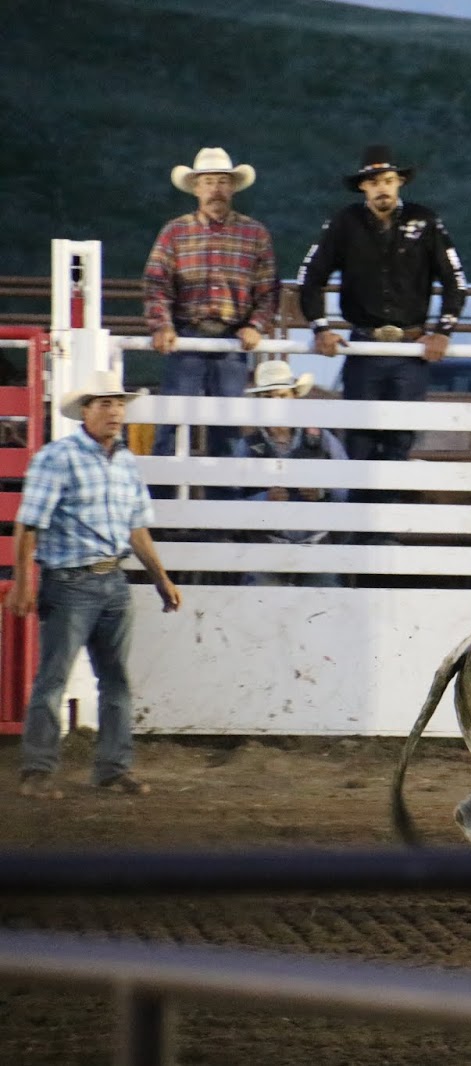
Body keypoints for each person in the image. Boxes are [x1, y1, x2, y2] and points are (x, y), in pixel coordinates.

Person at [5, 372, 182, 799]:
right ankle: (37, 770)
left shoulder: (125, 461)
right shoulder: (58, 457)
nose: (115, 411)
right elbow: (29, 524)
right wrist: (23, 583)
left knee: (114, 679)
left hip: (113, 580)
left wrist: (161, 578)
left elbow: (136, 528)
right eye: (105, 403)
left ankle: (111, 769)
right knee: (55, 678)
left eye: (118, 404)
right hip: (69, 581)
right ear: (85, 411)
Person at [297, 144, 467, 484]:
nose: (382, 188)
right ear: (363, 186)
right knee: (358, 438)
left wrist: (443, 330)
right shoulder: (345, 222)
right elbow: (310, 277)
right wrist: (320, 328)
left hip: (410, 346)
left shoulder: (425, 220)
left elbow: (455, 280)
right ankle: (359, 514)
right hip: (364, 345)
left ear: (399, 182)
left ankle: (387, 513)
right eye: (374, 182)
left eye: (388, 180)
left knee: (400, 438)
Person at [144, 147, 278, 460]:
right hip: (186, 336)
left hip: (233, 338)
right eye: (208, 182)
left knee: (227, 427)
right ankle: (162, 488)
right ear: (196, 188)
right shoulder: (175, 231)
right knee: (172, 420)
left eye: (222, 181)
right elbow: (156, 283)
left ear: (232, 188)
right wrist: (162, 325)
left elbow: (268, 289)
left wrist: (256, 325)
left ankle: (224, 489)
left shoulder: (254, 233)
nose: (215, 189)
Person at [232, 361, 349, 587]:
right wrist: (263, 498)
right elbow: (231, 499)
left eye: (282, 396)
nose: (276, 403)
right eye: (268, 397)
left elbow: (345, 488)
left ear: (294, 397)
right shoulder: (246, 445)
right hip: (265, 544)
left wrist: (322, 493)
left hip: (317, 542)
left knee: (326, 598)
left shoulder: (322, 439)